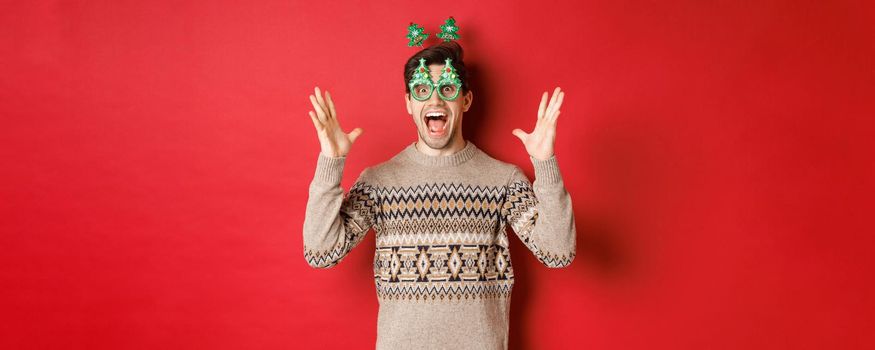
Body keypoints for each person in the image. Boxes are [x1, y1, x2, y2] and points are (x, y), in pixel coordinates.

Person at [303, 41, 576, 350]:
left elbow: (558, 252)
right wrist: (331, 162)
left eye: (447, 89)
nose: (435, 99)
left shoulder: (503, 180)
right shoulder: (379, 182)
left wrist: (545, 163)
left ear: (466, 100)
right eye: (422, 90)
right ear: (408, 102)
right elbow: (320, 252)